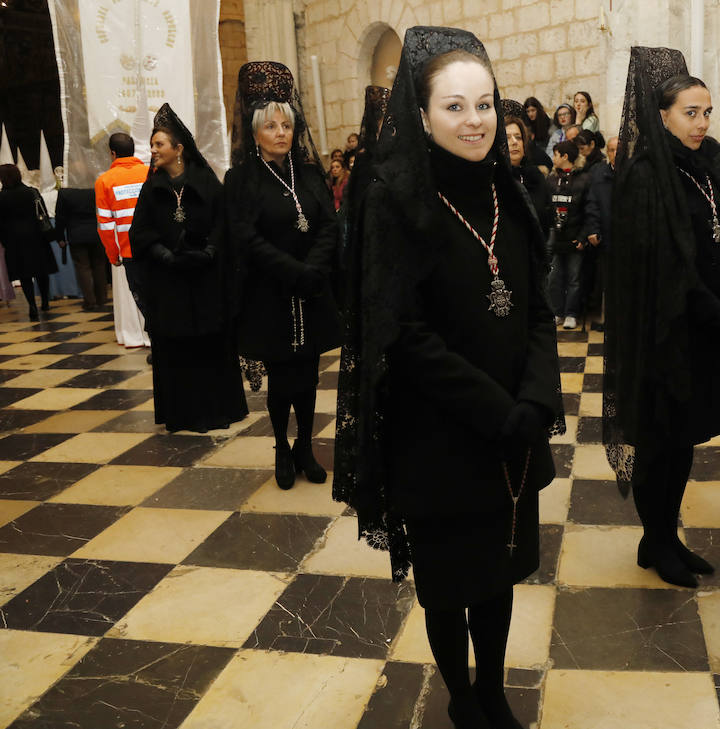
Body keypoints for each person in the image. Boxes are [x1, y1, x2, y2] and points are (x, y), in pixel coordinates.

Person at [334, 27, 563, 729]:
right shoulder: (395, 202)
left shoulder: (512, 193)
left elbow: (536, 311)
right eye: (456, 107)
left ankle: (492, 689)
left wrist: (534, 398)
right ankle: (462, 698)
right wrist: (499, 408)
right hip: (436, 435)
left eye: (486, 105)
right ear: (423, 115)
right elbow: (401, 335)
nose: (476, 121)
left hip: (511, 431)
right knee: (447, 589)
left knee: (498, 576)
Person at [603, 48, 720, 588]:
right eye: (691, 112)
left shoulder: (706, 166)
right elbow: (662, 262)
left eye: (707, 111)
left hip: (705, 327)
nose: (702, 122)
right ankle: (657, 541)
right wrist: (710, 306)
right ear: (661, 114)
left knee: (684, 439)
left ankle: (663, 536)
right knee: (659, 441)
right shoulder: (645, 174)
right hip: (664, 333)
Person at [226, 61, 341, 489]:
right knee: (281, 380)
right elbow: (245, 238)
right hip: (269, 295)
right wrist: (294, 271)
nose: (280, 132)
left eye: (286, 124)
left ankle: (305, 447)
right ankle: (280, 445)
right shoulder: (241, 179)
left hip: (310, 292)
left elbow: (330, 225)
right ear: (255, 131)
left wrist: (314, 270)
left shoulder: (309, 174)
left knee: (308, 376)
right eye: (271, 125)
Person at [130, 103, 248, 433]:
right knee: (177, 347)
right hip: (169, 284)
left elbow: (224, 223)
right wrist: (163, 254)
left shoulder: (207, 182)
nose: (153, 150)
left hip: (205, 280)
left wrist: (211, 249)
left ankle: (215, 409)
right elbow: (138, 232)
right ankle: (182, 413)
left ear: (178, 149)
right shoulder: (150, 188)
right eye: (152, 145)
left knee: (208, 345)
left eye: (159, 144)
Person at [95, 133, 151, 348]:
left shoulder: (104, 181)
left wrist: (112, 255)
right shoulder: (149, 173)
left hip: (128, 250)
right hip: (155, 247)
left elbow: (106, 225)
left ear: (112, 153)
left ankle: (143, 335)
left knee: (139, 296)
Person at [0, 164, 59, 320]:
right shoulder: (32, 192)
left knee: (24, 275)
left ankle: (32, 305)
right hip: (36, 236)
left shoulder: (1, 197)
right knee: (41, 271)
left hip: (14, 241)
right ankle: (45, 301)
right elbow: (43, 213)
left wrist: (5, 241)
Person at [547, 139, 589, 329]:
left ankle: (571, 313)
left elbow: (588, 210)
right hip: (556, 236)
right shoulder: (551, 179)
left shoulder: (582, 179)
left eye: (556, 154)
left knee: (574, 278)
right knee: (554, 277)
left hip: (574, 236)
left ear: (564, 156)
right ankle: (557, 311)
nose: (553, 158)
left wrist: (582, 237)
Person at [55, 185, 108, 310]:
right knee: (99, 266)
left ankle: (89, 300)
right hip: (97, 231)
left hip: (76, 233)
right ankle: (101, 298)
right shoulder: (95, 187)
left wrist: (60, 237)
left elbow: (60, 216)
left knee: (82, 268)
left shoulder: (65, 192)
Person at [582, 133, 615, 330]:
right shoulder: (599, 173)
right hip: (605, 237)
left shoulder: (633, 174)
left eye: (619, 150)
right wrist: (593, 229)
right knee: (605, 282)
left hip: (627, 239)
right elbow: (592, 203)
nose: (615, 154)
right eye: (611, 150)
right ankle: (607, 319)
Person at [505, 113, 551, 235]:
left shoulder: (535, 175)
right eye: (507, 137)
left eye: (518, 137)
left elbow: (547, 211)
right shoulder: (496, 178)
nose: (514, 142)